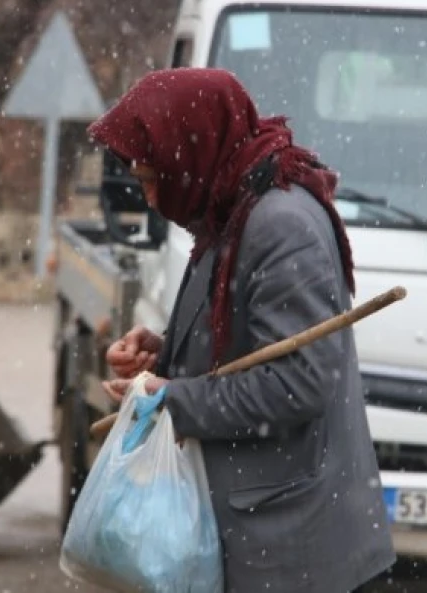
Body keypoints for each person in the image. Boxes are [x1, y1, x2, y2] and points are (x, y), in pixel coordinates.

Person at [88, 67, 396, 592]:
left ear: (190, 151)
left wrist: (174, 400)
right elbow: (251, 338)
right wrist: (164, 357)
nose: (152, 200)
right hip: (264, 544)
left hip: (294, 555)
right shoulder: (231, 205)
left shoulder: (279, 224)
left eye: (151, 178)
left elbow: (296, 383)